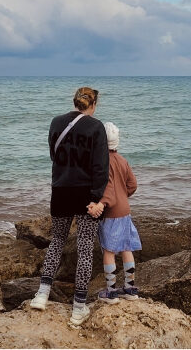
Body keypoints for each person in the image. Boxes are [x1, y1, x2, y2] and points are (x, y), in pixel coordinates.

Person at [30, 87, 109, 326]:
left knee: (57, 241)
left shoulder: (56, 122)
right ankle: (78, 308)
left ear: (74, 101)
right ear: (93, 104)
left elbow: (54, 156)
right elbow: (101, 168)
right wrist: (96, 198)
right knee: (85, 248)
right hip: (85, 193)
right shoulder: (96, 127)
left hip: (61, 190)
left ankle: (42, 295)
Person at [88, 122, 141, 304]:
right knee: (126, 247)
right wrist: (123, 196)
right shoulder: (122, 160)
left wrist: (103, 202)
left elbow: (108, 189)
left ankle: (111, 291)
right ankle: (130, 288)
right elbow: (133, 185)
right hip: (125, 210)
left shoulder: (104, 162)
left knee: (109, 250)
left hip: (110, 212)